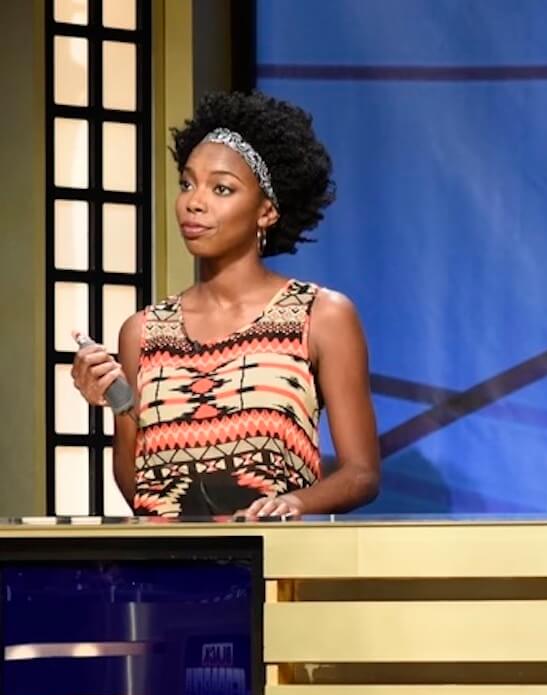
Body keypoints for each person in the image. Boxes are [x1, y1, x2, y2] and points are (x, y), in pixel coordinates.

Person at [71, 91, 380, 518]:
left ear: (267, 211)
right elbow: (143, 492)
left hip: (273, 571)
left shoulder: (320, 315)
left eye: (221, 188)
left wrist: (293, 503)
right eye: (187, 183)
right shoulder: (142, 331)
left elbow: (361, 474)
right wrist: (120, 403)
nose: (194, 201)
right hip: (170, 576)